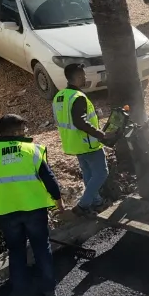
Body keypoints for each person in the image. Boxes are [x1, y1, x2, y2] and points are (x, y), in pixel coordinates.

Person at [0, 114, 64, 296]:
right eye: (23, 130)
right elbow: (49, 178)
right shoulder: (32, 150)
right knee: (41, 248)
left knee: (16, 252)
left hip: (6, 212)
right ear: (15, 131)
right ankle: (48, 290)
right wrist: (58, 202)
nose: (25, 133)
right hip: (34, 210)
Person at [52, 63, 112, 215]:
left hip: (73, 143)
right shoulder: (78, 97)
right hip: (88, 143)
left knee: (88, 173)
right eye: (83, 75)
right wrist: (101, 135)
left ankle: (97, 202)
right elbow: (79, 122)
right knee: (101, 173)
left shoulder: (60, 96)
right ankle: (83, 205)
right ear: (78, 77)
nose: (85, 78)